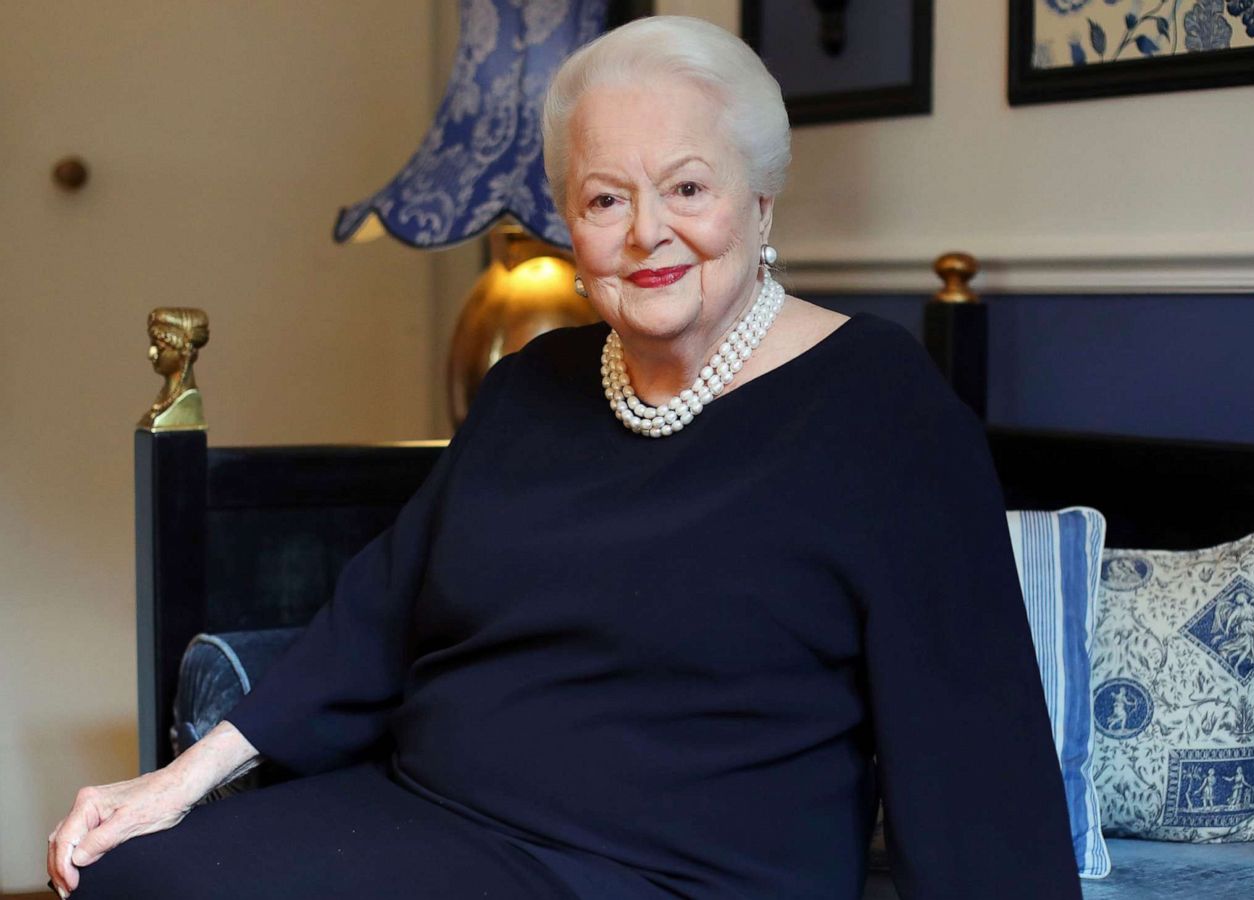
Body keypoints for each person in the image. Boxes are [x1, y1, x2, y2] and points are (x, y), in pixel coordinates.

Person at [48, 16, 1080, 899]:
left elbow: (969, 747)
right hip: (439, 823)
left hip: (679, 874)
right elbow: (378, 615)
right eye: (603, 200)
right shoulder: (534, 385)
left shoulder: (882, 410)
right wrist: (176, 780)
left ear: (760, 202)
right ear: (569, 226)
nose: (646, 235)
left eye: (686, 187)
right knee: (140, 877)